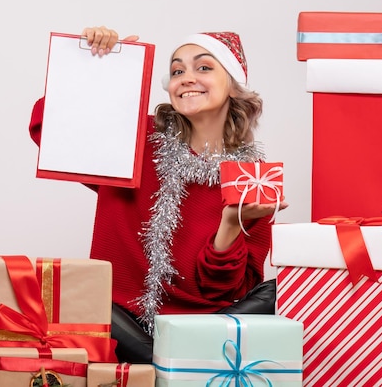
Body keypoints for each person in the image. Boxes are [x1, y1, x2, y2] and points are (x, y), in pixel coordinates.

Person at [29, 26, 287, 363]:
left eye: (204, 67)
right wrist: (100, 68)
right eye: (177, 70)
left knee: (279, 294)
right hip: (116, 325)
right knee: (87, 302)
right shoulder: (136, 140)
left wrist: (231, 225)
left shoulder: (253, 179)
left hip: (198, 336)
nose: (186, 78)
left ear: (234, 86)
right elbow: (51, 130)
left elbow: (226, 293)